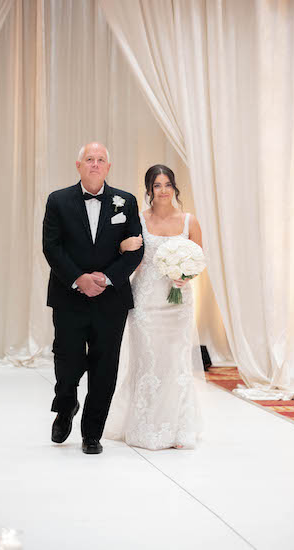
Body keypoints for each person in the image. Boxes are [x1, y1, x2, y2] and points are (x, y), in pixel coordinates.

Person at [42, 142, 144, 454]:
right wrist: (79, 279)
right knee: (67, 360)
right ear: (78, 165)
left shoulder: (125, 201)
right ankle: (66, 404)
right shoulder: (58, 200)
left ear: (108, 167)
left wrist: (106, 277)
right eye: (90, 159)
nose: (95, 164)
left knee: (105, 367)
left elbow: (136, 247)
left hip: (110, 299)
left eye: (101, 160)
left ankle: (92, 433)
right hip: (68, 295)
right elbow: (52, 247)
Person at [105, 164, 205, 450]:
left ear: (175, 188)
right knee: (148, 361)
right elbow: (128, 256)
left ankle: (176, 428)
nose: (163, 190)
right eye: (157, 185)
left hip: (178, 302)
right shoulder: (139, 219)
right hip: (146, 302)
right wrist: (123, 248)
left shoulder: (189, 221)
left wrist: (184, 276)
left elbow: (198, 259)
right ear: (149, 190)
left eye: (167, 184)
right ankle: (145, 425)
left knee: (175, 361)